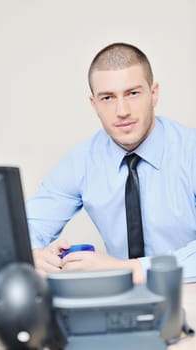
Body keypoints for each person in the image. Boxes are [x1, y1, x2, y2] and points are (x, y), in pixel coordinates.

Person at [26, 42, 196, 283]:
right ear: (94, 104)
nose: (122, 110)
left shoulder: (190, 151)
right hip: (122, 305)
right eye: (107, 98)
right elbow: (28, 225)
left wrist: (129, 269)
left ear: (154, 94)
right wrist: (30, 255)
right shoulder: (83, 160)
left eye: (133, 93)